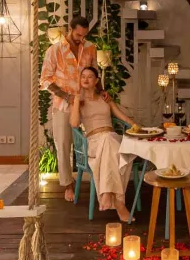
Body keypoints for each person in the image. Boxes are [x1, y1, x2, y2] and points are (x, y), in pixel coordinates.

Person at [39, 15, 96, 202]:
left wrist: (101, 93)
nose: (81, 38)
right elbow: (45, 80)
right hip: (62, 105)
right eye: (78, 34)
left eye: (84, 35)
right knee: (63, 144)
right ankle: (68, 185)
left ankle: (100, 180)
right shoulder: (54, 50)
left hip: (87, 102)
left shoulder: (90, 48)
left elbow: (95, 74)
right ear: (69, 29)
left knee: (95, 139)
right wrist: (67, 97)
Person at [71, 66, 137, 224]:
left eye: (90, 77)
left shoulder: (104, 97)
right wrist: (75, 101)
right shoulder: (78, 101)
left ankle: (107, 192)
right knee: (111, 146)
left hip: (111, 137)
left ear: (96, 80)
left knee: (111, 142)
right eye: (83, 77)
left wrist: (134, 124)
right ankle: (120, 204)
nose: (86, 79)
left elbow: (119, 114)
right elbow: (74, 123)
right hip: (93, 141)